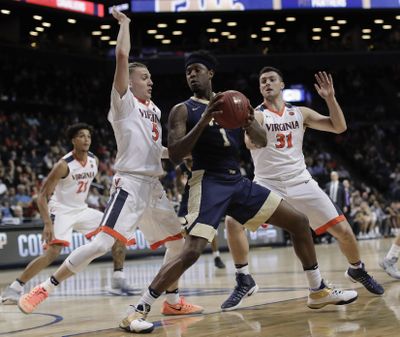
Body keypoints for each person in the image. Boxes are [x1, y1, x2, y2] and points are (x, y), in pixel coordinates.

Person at [117, 50, 358, 333]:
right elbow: (176, 153)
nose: (192, 75)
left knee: (299, 221)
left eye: (197, 69)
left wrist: (248, 121)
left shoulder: (234, 101)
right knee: (191, 251)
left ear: (210, 74)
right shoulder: (183, 110)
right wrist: (205, 119)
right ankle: (137, 310)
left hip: (237, 181)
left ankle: (317, 290)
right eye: (188, 72)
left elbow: (260, 140)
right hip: (207, 182)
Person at [17, 8, 202, 332]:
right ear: (129, 82)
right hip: (130, 184)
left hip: (153, 187)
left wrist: (179, 155)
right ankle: (45, 288)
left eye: (150, 78)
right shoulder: (123, 102)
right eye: (144, 77)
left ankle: (172, 302)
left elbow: (153, 148)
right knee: (103, 244)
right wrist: (126, 24)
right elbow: (121, 55)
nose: (151, 81)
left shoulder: (155, 109)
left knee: (179, 243)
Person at [223, 67, 383, 311]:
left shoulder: (300, 113)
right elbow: (251, 141)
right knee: (233, 222)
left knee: (345, 232)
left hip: (301, 181)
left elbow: (338, 127)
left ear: (282, 84)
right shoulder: (258, 115)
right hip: (268, 184)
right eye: (262, 81)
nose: (267, 83)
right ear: (259, 88)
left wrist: (330, 98)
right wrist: (247, 125)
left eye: (271, 79)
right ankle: (244, 278)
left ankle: (357, 269)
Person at [0, 123, 134, 304]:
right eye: (81, 136)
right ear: (73, 140)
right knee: (53, 253)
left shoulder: (94, 160)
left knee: (117, 230)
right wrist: (47, 223)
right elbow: (41, 196)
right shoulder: (63, 165)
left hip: (81, 209)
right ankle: (14, 288)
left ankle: (118, 279)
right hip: (61, 210)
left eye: (88, 136)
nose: (86, 139)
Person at [176, 158, 225, 269]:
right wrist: (181, 187)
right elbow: (178, 186)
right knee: (183, 231)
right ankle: (183, 256)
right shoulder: (180, 169)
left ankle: (216, 256)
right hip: (187, 202)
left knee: (210, 230)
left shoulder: (203, 164)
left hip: (202, 199)